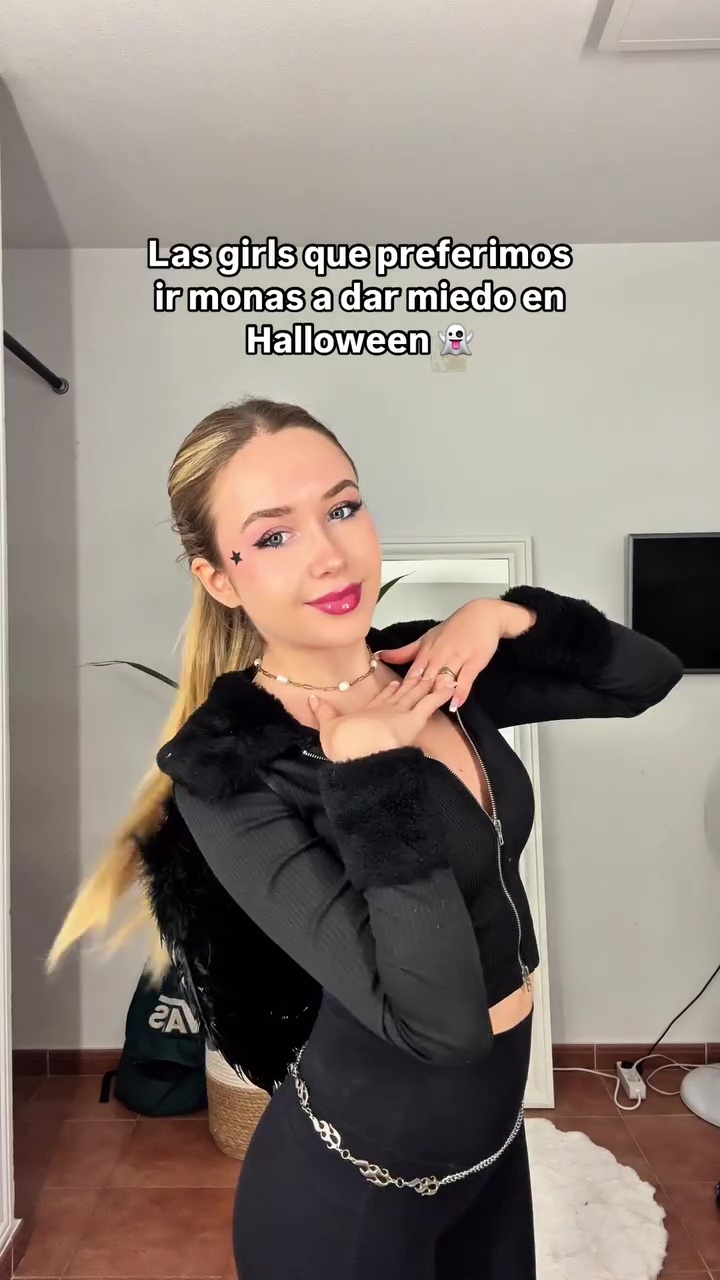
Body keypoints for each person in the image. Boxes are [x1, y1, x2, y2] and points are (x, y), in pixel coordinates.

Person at [47, 397, 684, 1280]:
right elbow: (440, 1027)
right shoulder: (232, 772)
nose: (330, 554)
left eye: (342, 508)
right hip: (347, 1200)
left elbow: (649, 675)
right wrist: (369, 774)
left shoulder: (429, 670)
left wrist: (503, 616)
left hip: (491, 1154)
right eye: (274, 536)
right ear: (219, 578)